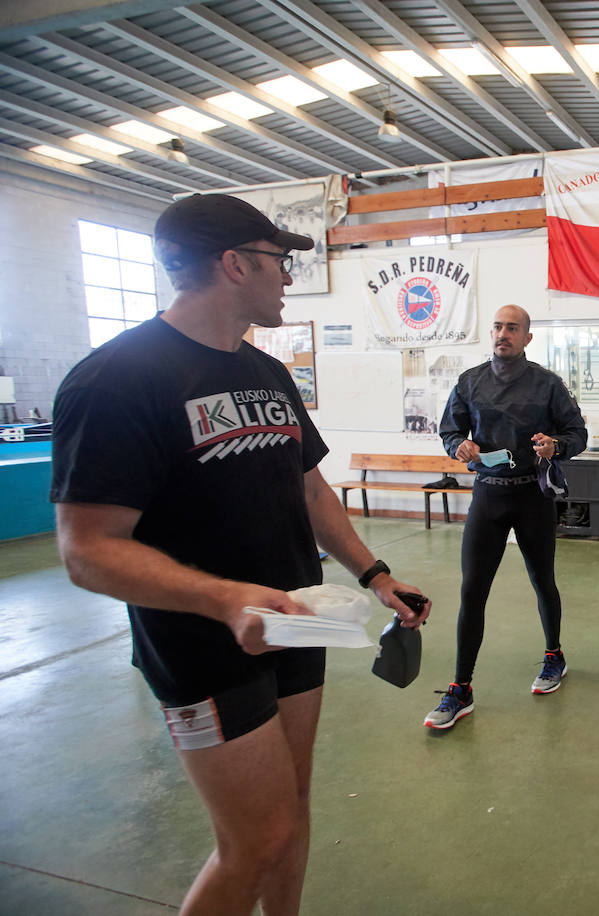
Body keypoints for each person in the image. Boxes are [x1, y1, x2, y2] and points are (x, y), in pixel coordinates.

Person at [49, 193, 431, 916]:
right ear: (233, 265)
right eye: (277, 261)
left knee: (291, 809)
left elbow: (310, 489)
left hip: (296, 622)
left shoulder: (265, 372)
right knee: (254, 840)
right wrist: (225, 599)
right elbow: (87, 551)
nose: (288, 277)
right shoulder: (118, 379)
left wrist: (374, 574)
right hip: (201, 644)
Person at [425, 305, 588, 728]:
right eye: (498, 326)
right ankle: (460, 689)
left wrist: (555, 446)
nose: (503, 334)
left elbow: (577, 434)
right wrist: (458, 445)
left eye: (512, 328)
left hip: (532, 495)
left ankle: (554, 655)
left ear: (527, 338)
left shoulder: (548, 384)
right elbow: (449, 430)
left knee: (542, 580)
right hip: (488, 496)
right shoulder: (470, 382)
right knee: (471, 592)